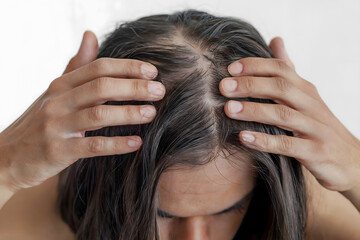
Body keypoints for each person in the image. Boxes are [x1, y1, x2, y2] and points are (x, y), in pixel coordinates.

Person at [0, 10, 359, 240]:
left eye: (227, 210)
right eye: (163, 214)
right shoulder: (39, 218)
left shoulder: (303, 210)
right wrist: (5, 168)